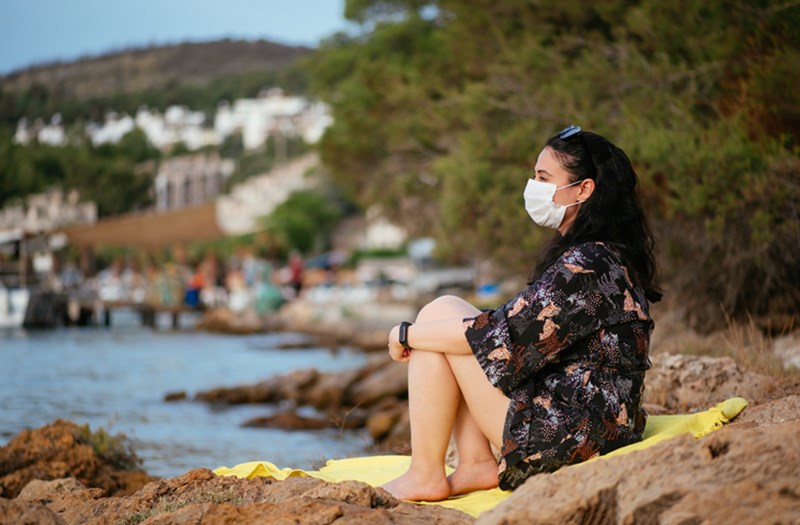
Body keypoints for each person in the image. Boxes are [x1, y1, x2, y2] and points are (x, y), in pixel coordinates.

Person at [381, 125, 662, 501]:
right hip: (595, 422)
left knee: (437, 322)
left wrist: (405, 335)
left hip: (577, 435)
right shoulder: (600, 255)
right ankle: (474, 464)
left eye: (544, 178)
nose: (533, 187)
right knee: (444, 312)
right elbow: (516, 327)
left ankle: (425, 474)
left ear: (583, 189)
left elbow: (503, 339)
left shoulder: (589, 262)